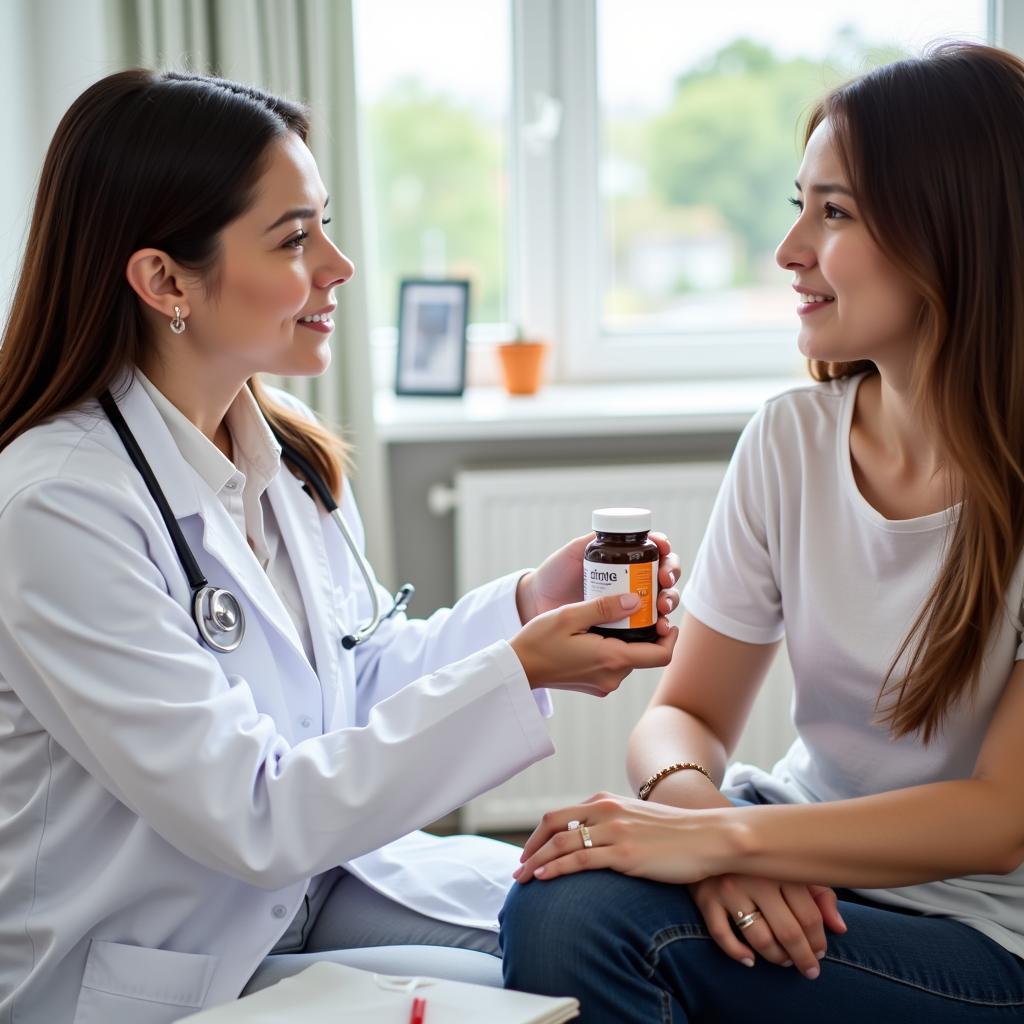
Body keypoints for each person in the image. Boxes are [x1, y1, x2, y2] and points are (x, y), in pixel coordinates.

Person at [0, 69, 682, 1023]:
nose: (338, 265)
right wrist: (516, 667)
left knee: (631, 933)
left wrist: (528, 609)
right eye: (294, 238)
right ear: (164, 280)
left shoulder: (283, 458)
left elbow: (348, 690)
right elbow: (254, 811)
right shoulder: (55, 508)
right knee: (590, 992)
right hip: (155, 968)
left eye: (322, 224)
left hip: (304, 904)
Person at [500, 42, 1024, 1022]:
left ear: (953, 230)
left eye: (833, 212)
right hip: (795, 846)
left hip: (983, 930)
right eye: (799, 206)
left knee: (605, 928)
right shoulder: (791, 438)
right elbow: (683, 716)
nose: (788, 253)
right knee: (559, 896)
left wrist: (729, 847)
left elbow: (997, 821)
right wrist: (705, 824)